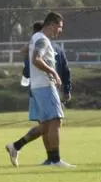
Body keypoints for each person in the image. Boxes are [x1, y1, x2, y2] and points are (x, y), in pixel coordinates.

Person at [5, 11, 73, 168]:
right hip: (45, 85)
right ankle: (55, 160)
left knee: (47, 125)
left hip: (36, 86)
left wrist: (30, 49)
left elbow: (23, 52)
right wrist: (54, 72)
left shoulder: (35, 38)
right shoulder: (42, 40)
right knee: (56, 120)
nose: (60, 31)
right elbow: (36, 59)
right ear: (52, 25)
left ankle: (16, 146)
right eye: (60, 27)